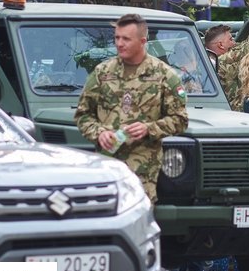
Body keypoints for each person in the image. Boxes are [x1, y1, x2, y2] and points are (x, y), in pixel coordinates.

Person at [75, 13, 189, 204]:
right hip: (107, 166)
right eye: (117, 38)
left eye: (126, 39)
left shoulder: (164, 75)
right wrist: (99, 133)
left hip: (143, 171)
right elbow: (83, 115)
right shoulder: (103, 73)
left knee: (138, 218)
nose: (119, 44)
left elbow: (180, 119)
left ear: (142, 41)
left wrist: (149, 129)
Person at [203, 11, 249, 110]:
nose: (234, 43)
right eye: (230, 39)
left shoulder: (203, 61)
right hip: (235, 114)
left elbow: (246, 44)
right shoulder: (225, 60)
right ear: (220, 45)